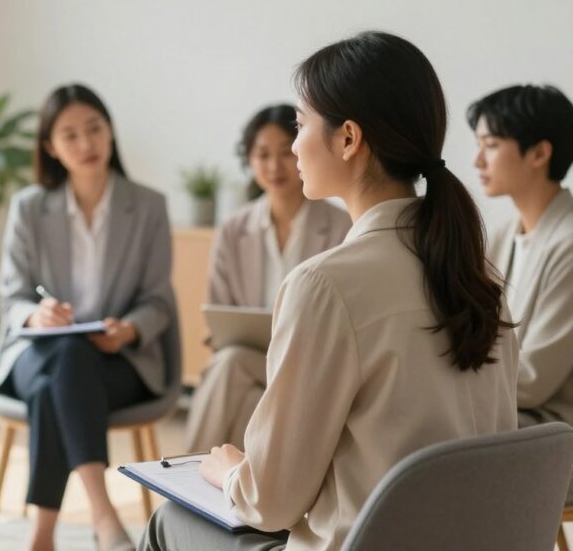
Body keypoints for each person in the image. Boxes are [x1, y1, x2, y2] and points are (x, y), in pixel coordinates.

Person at [140, 31, 518, 551]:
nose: (293, 147)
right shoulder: (480, 275)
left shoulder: (324, 285)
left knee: (168, 521)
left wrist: (231, 471)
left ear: (347, 139)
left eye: (298, 125)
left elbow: (270, 501)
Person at [0, 83, 179, 551]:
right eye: (70, 135)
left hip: (119, 362)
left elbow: (159, 300)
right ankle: (103, 515)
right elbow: (12, 299)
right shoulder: (30, 208)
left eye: (94, 129)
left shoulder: (147, 206)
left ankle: (42, 534)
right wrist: (38, 315)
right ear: (51, 147)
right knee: (64, 356)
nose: (86, 143)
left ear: (110, 131)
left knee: (59, 379)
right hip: (37, 354)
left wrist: (129, 329)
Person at [184, 104, 351, 452]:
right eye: (262, 155)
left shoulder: (340, 226)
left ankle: (180, 483)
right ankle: (218, 493)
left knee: (232, 372)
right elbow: (219, 313)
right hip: (253, 363)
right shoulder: (233, 229)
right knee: (238, 382)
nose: (274, 166)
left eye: (285, 153)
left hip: (308, 367)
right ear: (249, 160)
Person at [468, 84, 573, 427]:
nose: (477, 160)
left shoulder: (568, 244)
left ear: (539, 154)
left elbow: (533, 379)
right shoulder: (502, 237)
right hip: (508, 408)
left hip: (550, 426)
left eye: (492, 145)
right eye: (479, 145)